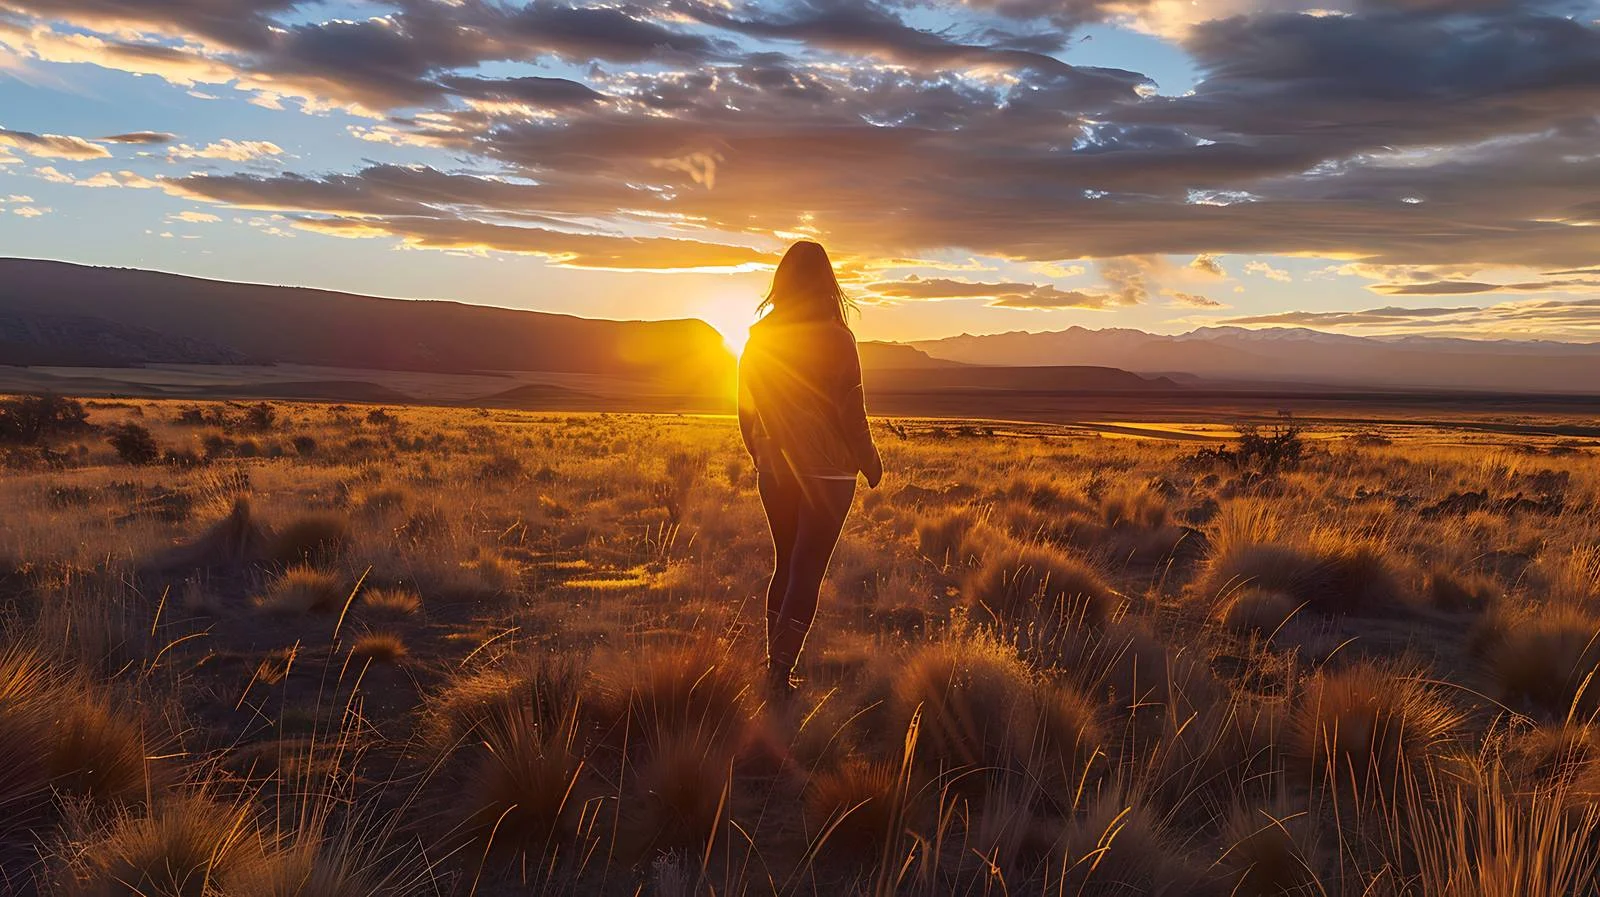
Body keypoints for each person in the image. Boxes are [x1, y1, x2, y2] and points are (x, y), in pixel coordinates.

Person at [738, 240, 883, 698]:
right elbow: (850, 411)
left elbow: (744, 409)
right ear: (827, 282)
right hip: (829, 473)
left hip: (775, 470)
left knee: (787, 566)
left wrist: (760, 454)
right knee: (806, 570)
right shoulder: (839, 340)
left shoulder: (760, 338)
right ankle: (780, 674)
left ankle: (774, 664)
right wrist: (871, 462)